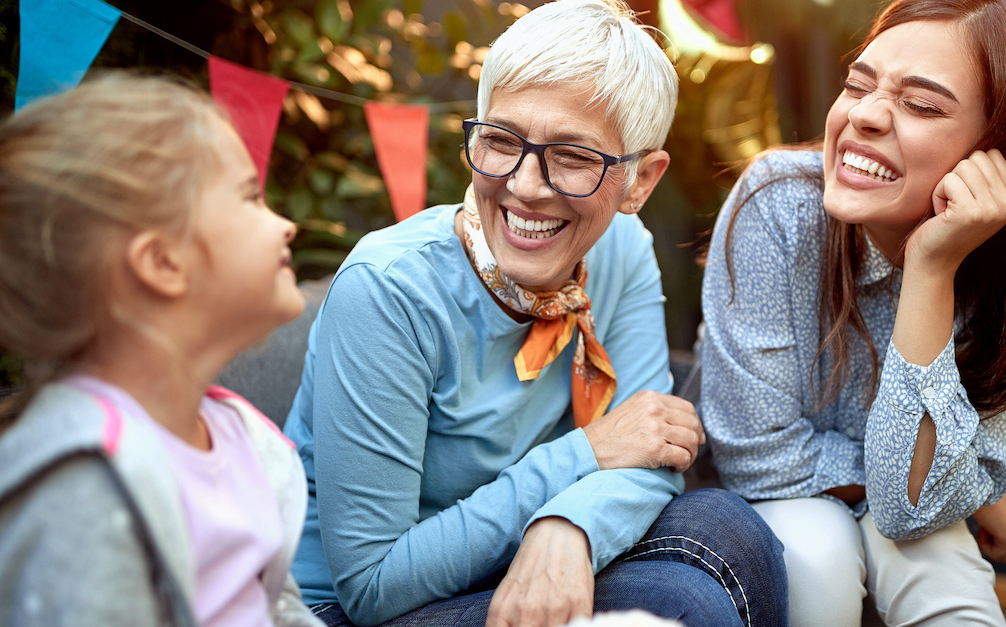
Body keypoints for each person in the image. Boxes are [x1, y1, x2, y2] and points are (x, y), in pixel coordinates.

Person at [283, 1, 788, 626]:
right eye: (501, 140)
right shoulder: (388, 290)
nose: (525, 186)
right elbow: (371, 584)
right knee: (678, 604)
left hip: (503, 553)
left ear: (640, 181)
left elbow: (649, 448)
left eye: (573, 156)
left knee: (732, 528)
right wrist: (584, 457)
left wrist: (567, 526)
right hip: (351, 608)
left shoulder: (620, 249)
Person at [699, 0, 1006, 625]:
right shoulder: (778, 203)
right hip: (764, 505)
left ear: (1000, 154)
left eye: (922, 105)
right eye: (857, 84)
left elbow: (910, 509)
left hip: (901, 511)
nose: (864, 116)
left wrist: (933, 268)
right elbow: (756, 457)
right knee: (817, 546)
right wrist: (981, 488)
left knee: (941, 563)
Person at [0, 74, 323, 627]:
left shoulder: (236, 435)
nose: (286, 225)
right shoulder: (79, 497)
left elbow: (277, 607)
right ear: (162, 262)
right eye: (250, 197)